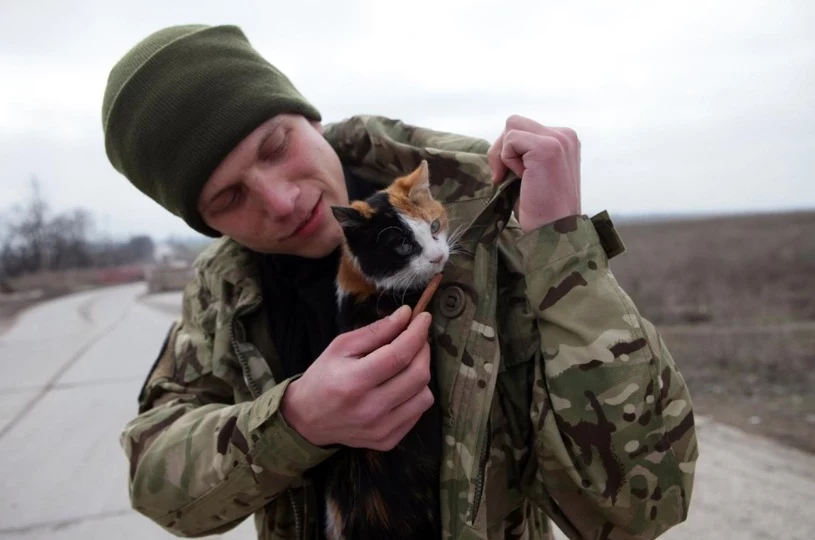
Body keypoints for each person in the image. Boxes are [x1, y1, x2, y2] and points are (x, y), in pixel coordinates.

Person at [103, 24, 698, 540]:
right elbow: (153, 478)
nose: (282, 201)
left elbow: (645, 505)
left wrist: (561, 247)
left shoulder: (486, 209)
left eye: (276, 146)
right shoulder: (225, 289)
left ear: (308, 116)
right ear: (205, 224)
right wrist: (295, 422)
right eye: (230, 198)